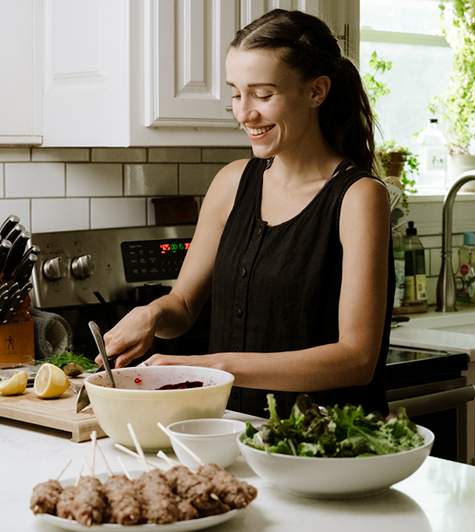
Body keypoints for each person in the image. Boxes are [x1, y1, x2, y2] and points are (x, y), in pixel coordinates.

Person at [97, 9, 393, 417]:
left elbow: (356, 359)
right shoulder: (232, 183)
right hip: (233, 433)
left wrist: (214, 366)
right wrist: (151, 315)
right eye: (237, 93)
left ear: (316, 92)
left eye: (263, 94)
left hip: (323, 450)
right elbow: (183, 305)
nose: (244, 113)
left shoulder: (359, 197)